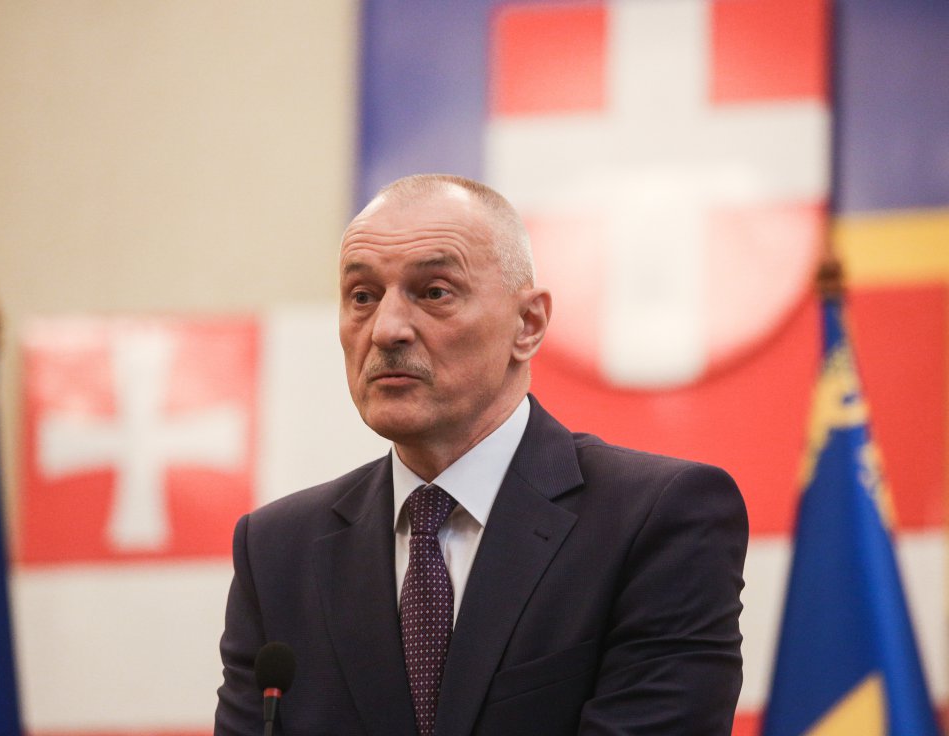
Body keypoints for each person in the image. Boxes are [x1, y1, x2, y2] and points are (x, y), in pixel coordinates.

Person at [215, 174, 748, 735]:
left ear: (528, 324)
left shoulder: (657, 518)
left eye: (434, 292)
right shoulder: (277, 551)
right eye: (363, 297)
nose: (386, 330)